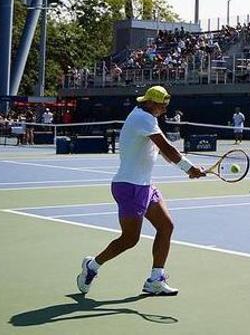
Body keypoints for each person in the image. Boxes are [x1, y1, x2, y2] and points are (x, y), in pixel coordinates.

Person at [76, 86, 205, 297]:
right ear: (150, 103)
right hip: (129, 186)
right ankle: (92, 266)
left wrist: (189, 170)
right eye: (162, 105)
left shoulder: (148, 119)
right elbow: (167, 148)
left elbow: (163, 151)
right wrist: (189, 168)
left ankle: (155, 279)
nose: (165, 109)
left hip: (145, 186)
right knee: (129, 239)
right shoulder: (141, 119)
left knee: (166, 226)